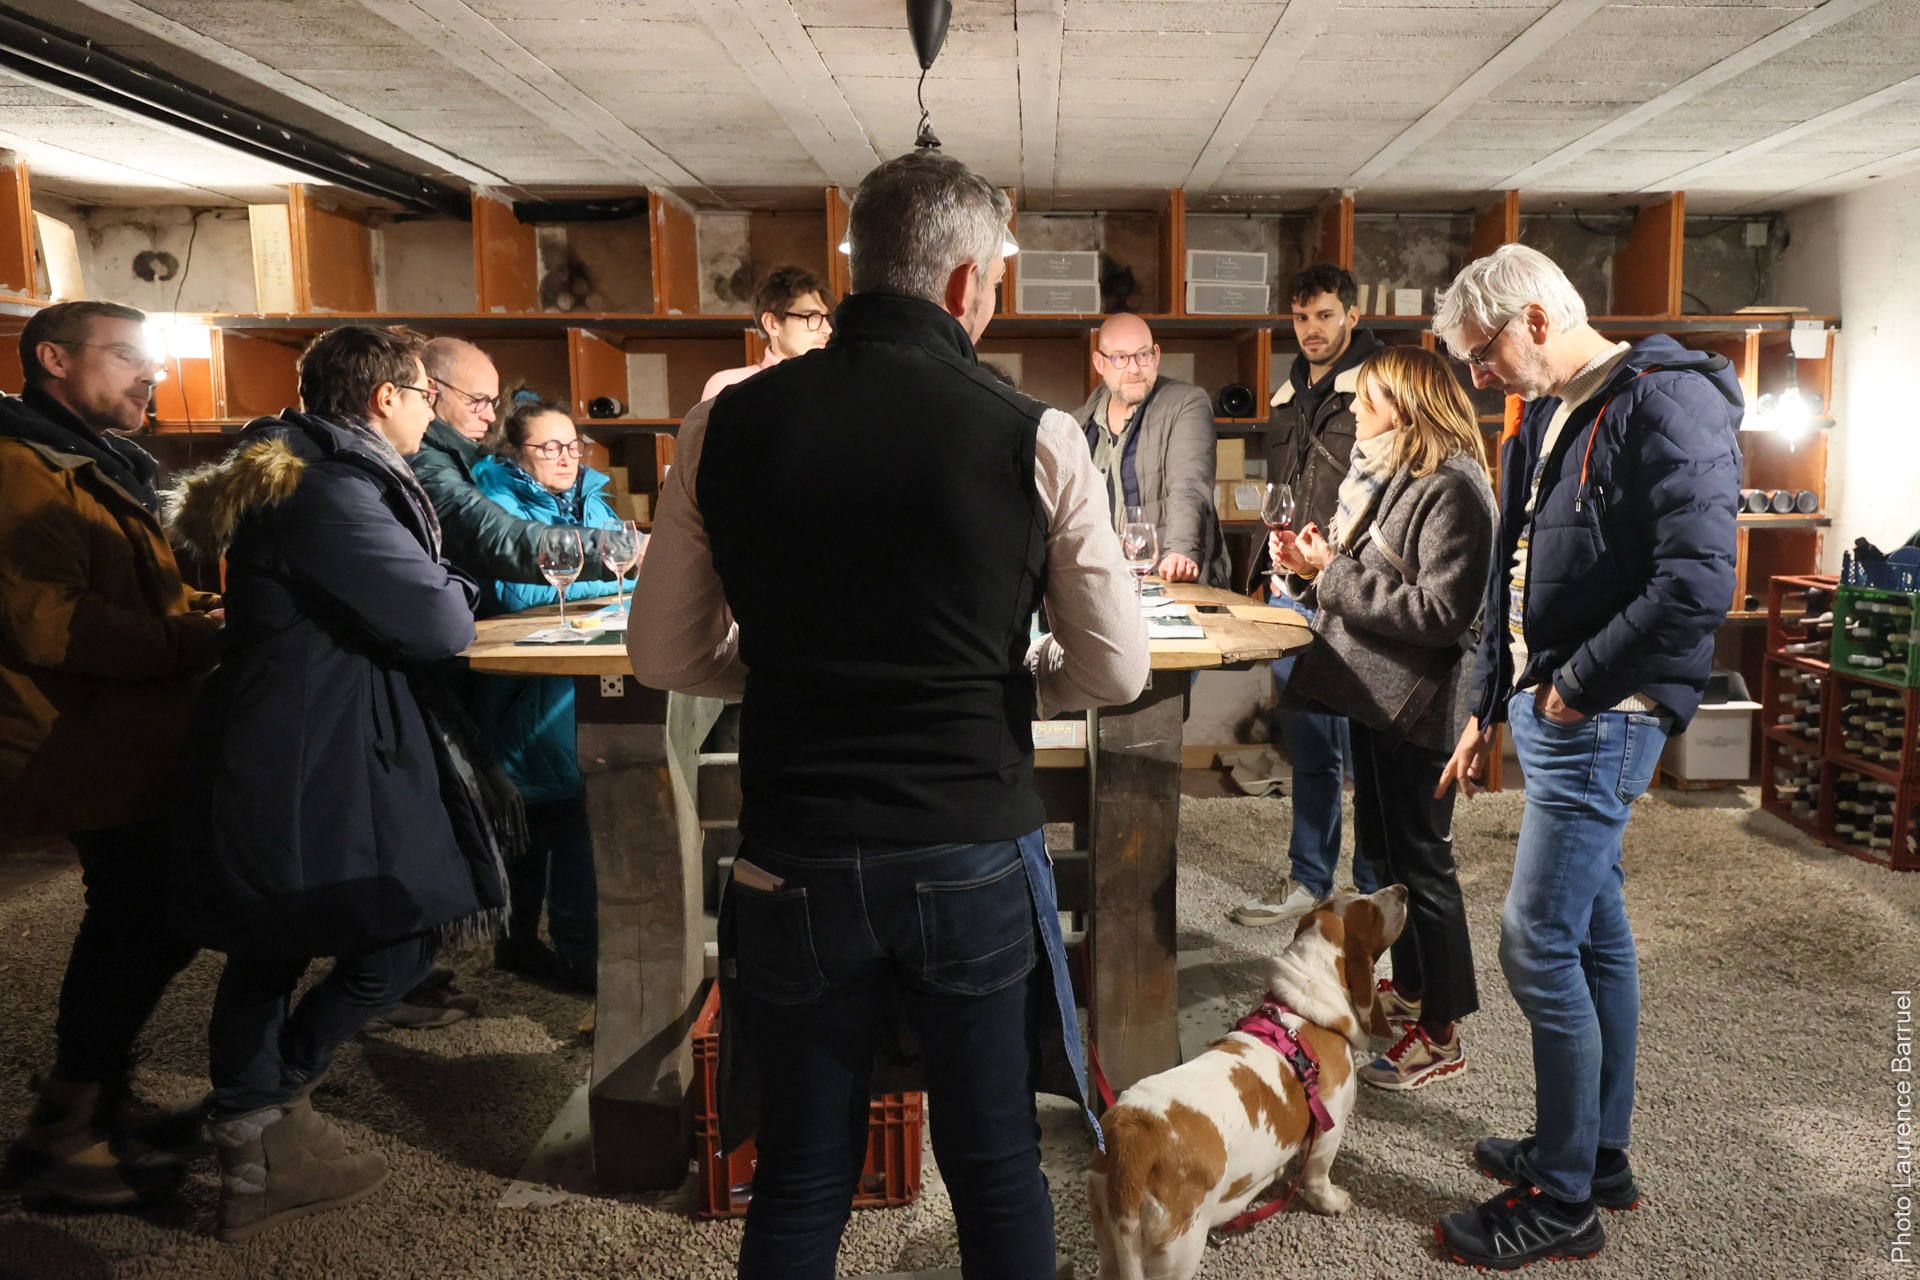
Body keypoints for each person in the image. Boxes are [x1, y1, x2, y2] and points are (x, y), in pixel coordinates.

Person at [630, 150, 1148, 1280]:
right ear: (965, 282)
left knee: (804, 1166)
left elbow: (662, 651)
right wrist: (1012, 687)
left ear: (864, 266)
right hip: (967, 838)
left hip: (794, 851)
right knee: (996, 1158)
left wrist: (785, 675)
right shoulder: (1039, 433)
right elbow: (1114, 669)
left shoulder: (726, 424)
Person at [1430, 244, 1741, 1269]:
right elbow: (1511, 577)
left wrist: (1572, 687)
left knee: (1535, 940)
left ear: (1532, 318)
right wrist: (1487, 702)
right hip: (1555, 709)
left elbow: (1696, 585)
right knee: (1596, 932)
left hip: (1600, 715)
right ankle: (1596, 1150)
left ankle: (1562, 1196)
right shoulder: (1544, 417)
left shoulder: (1667, 402)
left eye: (1482, 355)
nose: (1479, 378)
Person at [166, 326, 503, 1242]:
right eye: (425, 396)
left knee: (274, 936)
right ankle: (265, 1112)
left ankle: (258, 1125)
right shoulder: (332, 489)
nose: (434, 410)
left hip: (305, 727)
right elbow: (436, 621)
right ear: (385, 398)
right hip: (315, 741)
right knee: (398, 928)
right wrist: (453, 590)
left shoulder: (309, 470)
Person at [0, 301, 223, 1209]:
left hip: (117, 734)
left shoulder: (84, 458)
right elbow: (48, 620)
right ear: (54, 358)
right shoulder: (21, 468)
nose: (150, 376)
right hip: (76, 740)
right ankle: (65, 1135)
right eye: (128, 356)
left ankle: (94, 1102)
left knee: (142, 918)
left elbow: (122, 581)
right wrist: (188, 641)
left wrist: (192, 609)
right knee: (143, 919)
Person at [1271, 346, 1495, 1093]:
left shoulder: (1455, 488)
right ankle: (1416, 987)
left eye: (1366, 401)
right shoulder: (1408, 474)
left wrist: (1329, 575)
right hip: (1380, 696)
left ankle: (1443, 1033)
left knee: (1425, 867)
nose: (1355, 413)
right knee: (1392, 859)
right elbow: (1382, 576)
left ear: (1406, 405)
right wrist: (1320, 565)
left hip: (1422, 707)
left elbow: (1439, 614)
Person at [1231, 264, 1386, 928]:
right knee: (1310, 747)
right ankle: (1311, 879)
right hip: (1291, 590)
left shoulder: (1382, 385)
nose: (1312, 330)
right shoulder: (1287, 392)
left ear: (1352, 314)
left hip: (1352, 596)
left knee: (1370, 756)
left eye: (1325, 315)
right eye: (1301, 318)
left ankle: (1374, 893)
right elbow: (1282, 490)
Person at [467, 399, 628, 991]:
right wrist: (622, 575)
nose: (567, 458)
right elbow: (519, 593)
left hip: (564, 682)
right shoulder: (497, 502)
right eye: (549, 448)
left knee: (545, 823)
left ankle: (523, 944)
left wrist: (619, 572)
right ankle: (579, 958)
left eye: (573, 446)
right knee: (560, 824)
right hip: (517, 688)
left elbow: (616, 554)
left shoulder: (587, 495)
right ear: (514, 453)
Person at [1073, 312, 1230, 586]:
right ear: (1100, 362)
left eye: (1142, 355)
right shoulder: (1079, 424)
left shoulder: (1186, 403)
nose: (1134, 369)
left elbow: (1190, 485)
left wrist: (1181, 552)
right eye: (1120, 358)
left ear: (1156, 355)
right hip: (1103, 585)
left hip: (1166, 581)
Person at [700, 265, 836, 401]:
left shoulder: (838, 383)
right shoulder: (730, 386)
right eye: (812, 317)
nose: (827, 329)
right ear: (772, 324)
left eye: (828, 318)